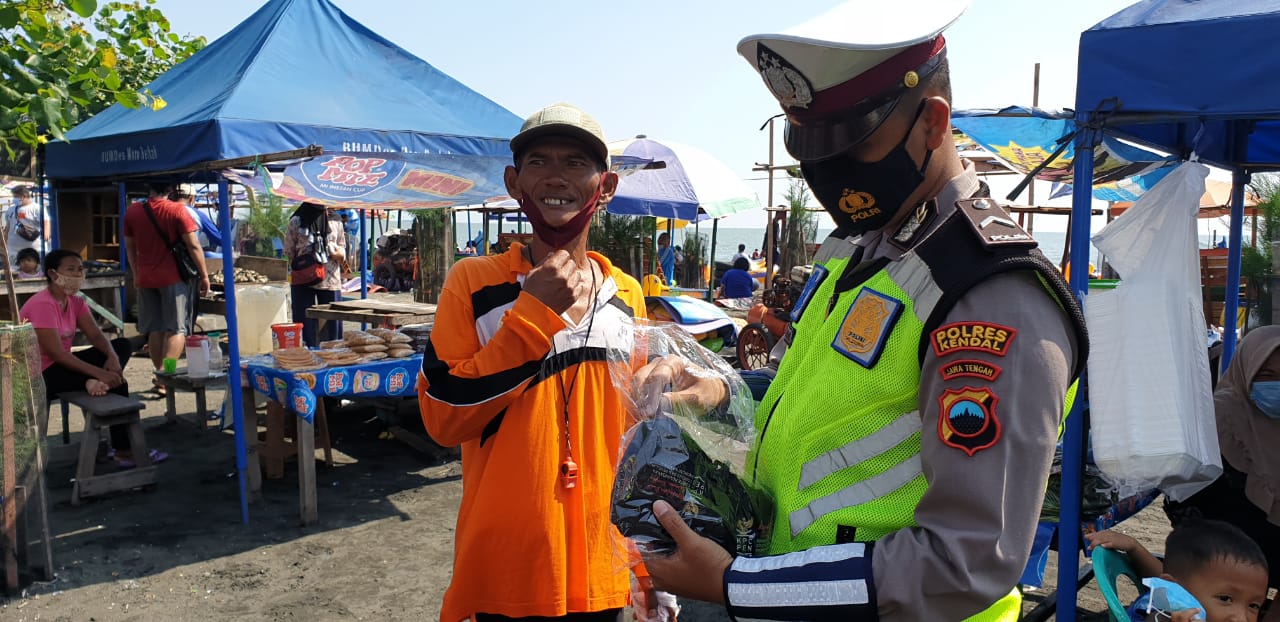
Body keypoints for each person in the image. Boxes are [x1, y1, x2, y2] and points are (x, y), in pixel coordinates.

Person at [634, 2, 1089, 620]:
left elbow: (967, 560)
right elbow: (811, 390)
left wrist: (739, 587)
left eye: (853, 143)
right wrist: (718, 386)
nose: (829, 173)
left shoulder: (989, 293)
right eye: (811, 148)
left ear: (932, 123)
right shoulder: (856, 247)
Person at [417, 102, 664, 621]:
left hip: (603, 564)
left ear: (606, 186)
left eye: (576, 163)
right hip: (508, 566)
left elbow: (631, 438)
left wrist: (647, 566)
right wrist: (532, 316)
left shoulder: (626, 294)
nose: (556, 176)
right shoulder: (473, 283)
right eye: (538, 162)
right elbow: (443, 417)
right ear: (514, 182)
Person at [1166, 324, 1280, 620]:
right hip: (1223, 535)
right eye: (1266, 375)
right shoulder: (1220, 414)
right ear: (1247, 370)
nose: (1275, 384)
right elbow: (1187, 494)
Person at [21, 250, 166, 467]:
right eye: (71, 269)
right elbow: (56, 354)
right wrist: (99, 373)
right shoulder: (43, 304)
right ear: (52, 274)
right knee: (116, 382)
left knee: (121, 346)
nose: (77, 274)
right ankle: (125, 450)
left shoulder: (75, 302)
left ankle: (94, 385)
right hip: (40, 374)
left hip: (63, 366)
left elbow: (96, 336)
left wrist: (112, 357)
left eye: (80, 269)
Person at [1086, 520, 1269, 622]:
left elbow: (1164, 580)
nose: (1241, 619)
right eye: (1225, 599)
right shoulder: (1161, 617)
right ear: (1176, 593)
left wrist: (1135, 548)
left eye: (1253, 606)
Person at [123, 182, 210, 396]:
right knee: (177, 329)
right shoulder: (177, 210)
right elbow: (193, 245)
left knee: (155, 329)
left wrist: (136, 273)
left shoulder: (133, 212)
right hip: (174, 278)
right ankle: (166, 374)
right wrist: (204, 275)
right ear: (170, 190)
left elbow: (130, 246)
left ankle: (159, 375)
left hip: (146, 278)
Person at [284, 202, 346, 347]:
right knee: (305, 324)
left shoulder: (336, 220)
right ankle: (309, 354)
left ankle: (333, 354)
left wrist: (333, 251)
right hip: (304, 280)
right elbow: (290, 252)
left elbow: (343, 251)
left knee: (332, 323)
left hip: (329, 281)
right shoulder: (297, 220)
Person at [6, 185, 49, 265]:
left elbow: (46, 221)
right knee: (15, 269)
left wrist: (46, 234)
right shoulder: (11, 209)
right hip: (13, 249)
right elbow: (8, 224)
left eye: (16, 196)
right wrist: (4, 239)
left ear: (24, 196)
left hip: (34, 248)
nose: (14, 199)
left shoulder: (37, 208)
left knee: (36, 269)